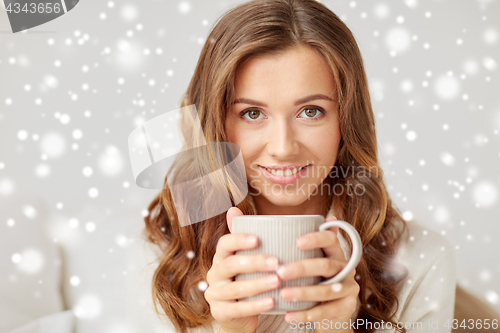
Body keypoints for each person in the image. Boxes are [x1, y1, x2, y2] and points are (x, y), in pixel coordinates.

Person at [143, 0, 457, 332]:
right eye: (252, 113)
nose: (282, 148)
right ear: (216, 125)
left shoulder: (421, 260)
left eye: (310, 111)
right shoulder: (163, 257)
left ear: (347, 121)